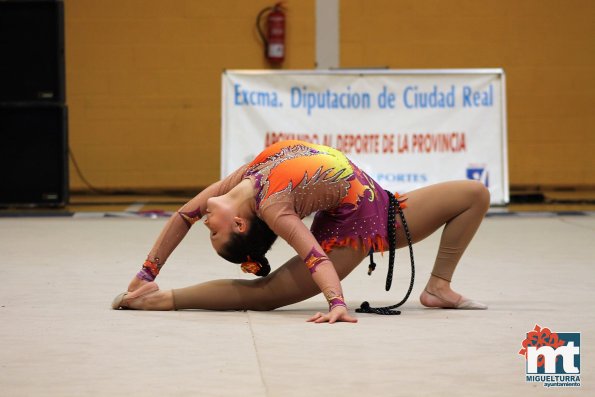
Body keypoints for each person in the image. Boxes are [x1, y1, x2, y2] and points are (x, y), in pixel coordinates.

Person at [112, 140, 490, 323]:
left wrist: (146, 272)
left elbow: (183, 216)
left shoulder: (246, 177)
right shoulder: (273, 207)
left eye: (210, 232)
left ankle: (438, 287)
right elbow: (315, 256)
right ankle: (160, 301)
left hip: (388, 205)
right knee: (265, 294)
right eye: (214, 234)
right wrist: (336, 303)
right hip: (352, 233)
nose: (205, 225)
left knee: (475, 194)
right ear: (240, 224)